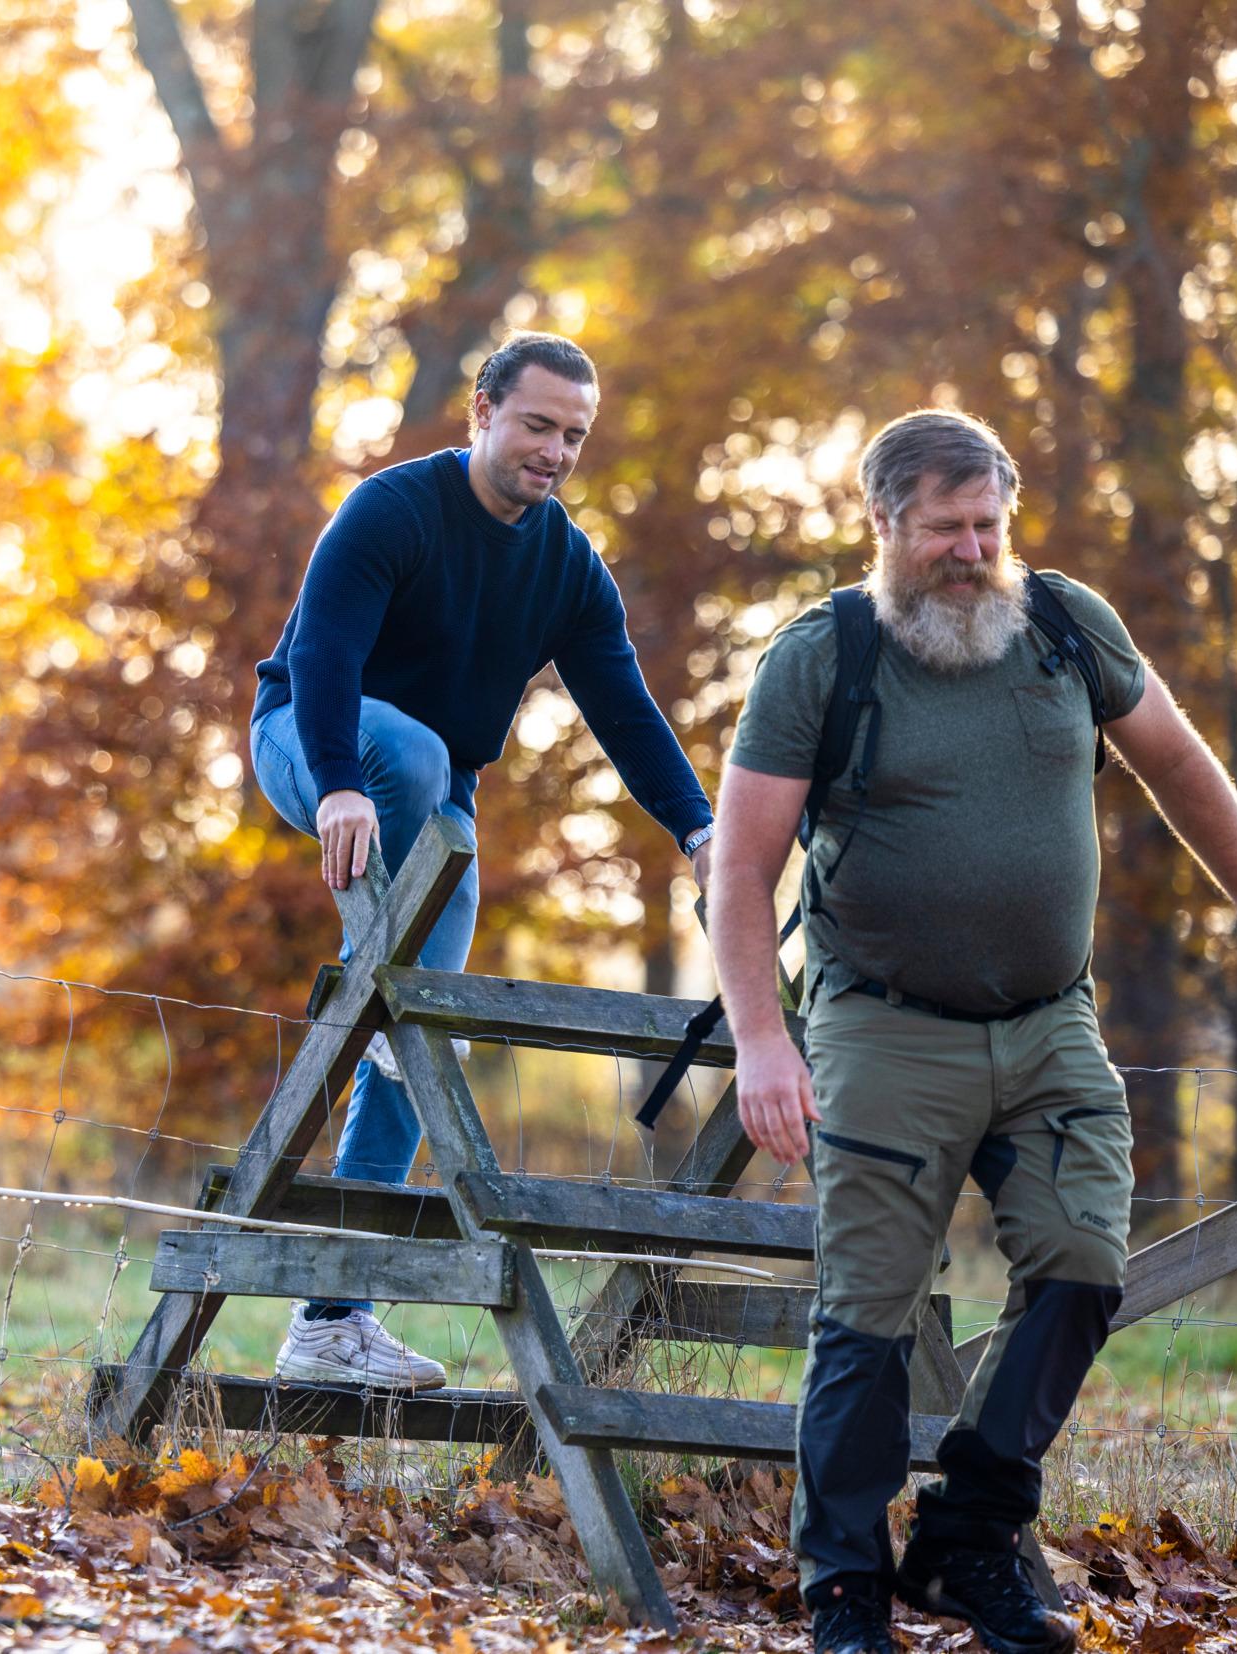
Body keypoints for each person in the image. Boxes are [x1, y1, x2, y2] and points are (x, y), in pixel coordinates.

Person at [711, 410, 1237, 1654]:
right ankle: (842, 1590)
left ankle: (967, 1537)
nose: (971, 549)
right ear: (881, 524)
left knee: (1084, 1263)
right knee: (867, 1314)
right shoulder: (820, 658)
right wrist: (763, 1044)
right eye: (943, 528)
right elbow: (740, 863)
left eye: (988, 523)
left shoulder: (1062, 625)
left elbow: (1177, 762)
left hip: (1048, 1028)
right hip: (884, 1031)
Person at [250, 330, 717, 1391]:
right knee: (404, 753)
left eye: (573, 436)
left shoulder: (564, 567)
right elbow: (321, 653)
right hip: (308, 738)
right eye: (536, 424)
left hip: (438, 806)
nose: (553, 450)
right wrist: (332, 782)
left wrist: (695, 828)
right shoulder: (393, 509)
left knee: (425, 1035)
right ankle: (373, 958)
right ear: (481, 412)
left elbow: (624, 710)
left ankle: (331, 1321)